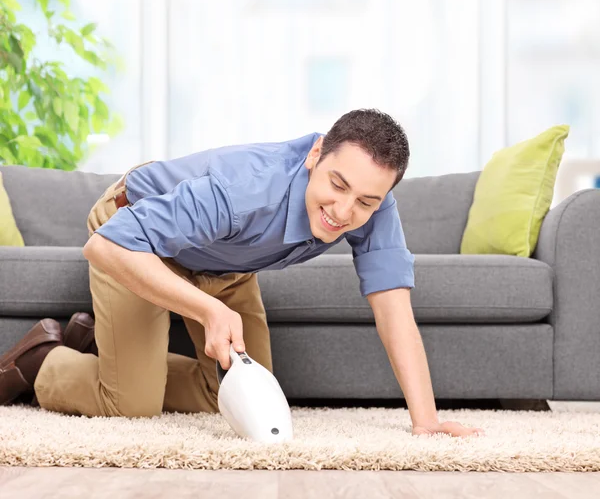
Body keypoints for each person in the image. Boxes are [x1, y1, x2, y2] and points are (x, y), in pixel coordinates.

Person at [0, 109, 485, 438]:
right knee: (132, 403)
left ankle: (109, 353)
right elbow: (104, 246)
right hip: (140, 236)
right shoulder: (245, 191)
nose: (343, 210)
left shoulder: (373, 205)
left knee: (238, 398)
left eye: (365, 200)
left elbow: (393, 307)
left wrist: (426, 420)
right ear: (315, 155)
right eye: (337, 185)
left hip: (223, 261)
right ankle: (45, 359)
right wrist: (207, 308)